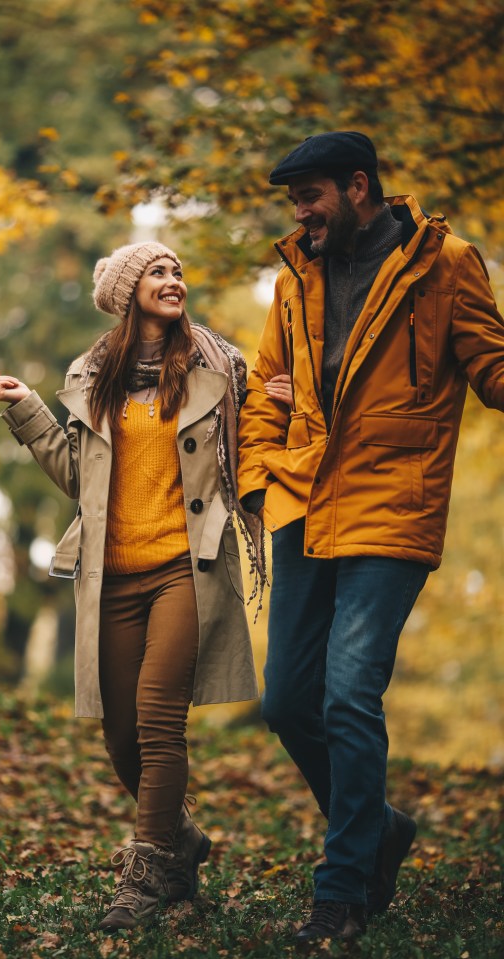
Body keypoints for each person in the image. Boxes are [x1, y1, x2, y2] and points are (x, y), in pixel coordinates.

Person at [237, 131, 504, 941]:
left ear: (359, 187)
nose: (302, 215)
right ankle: (381, 827)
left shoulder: (445, 263)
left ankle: (341, 891)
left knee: (350, 692)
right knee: (286, 698)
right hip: (306, 502)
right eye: (294, 204)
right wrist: (257, 474)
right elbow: (264, 391)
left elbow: (493, 368)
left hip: (395, 504)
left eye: (310, 197)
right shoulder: (297, 275)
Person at [0, 241, 264, 932]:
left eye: (176, 271)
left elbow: (257, 438)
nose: (174, 280)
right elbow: (79, 478)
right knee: (120, 734)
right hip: (111, 574)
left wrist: (278, 402)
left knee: (159, 719)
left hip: (183, 567)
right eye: (157, 272)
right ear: (124, 291)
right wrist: (27, 411)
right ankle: (183, 839)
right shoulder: (94, 374)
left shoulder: (217, 368)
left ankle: (143, 877)